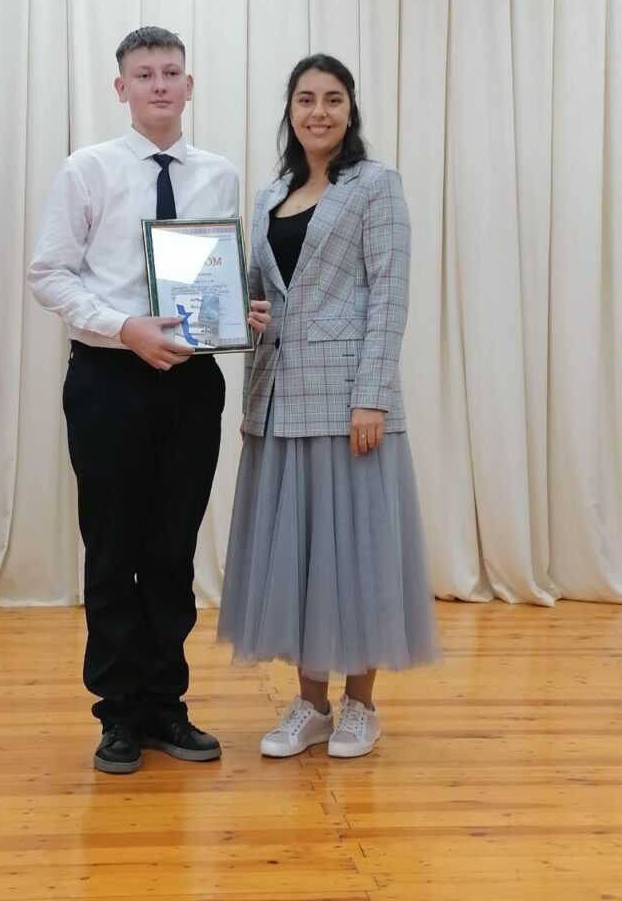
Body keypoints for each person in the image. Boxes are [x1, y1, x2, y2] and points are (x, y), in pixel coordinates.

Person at [28, 26, 270, 774]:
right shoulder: (87, 169)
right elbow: (49, 274)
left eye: (171, 72)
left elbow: (216, 272)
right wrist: (123, 327)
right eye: (144, 74)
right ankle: (118, 713)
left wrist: (240, 311)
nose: (159, 84)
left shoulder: (220, 174)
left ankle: (166, 704)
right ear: (121, 88)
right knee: (113, 547)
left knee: (172, 548)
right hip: (109, 379)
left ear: (189, 85)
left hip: (192, 384)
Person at [218, 53, 438, 759]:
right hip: (279, 401)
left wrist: (372, 397)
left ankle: (360, 706)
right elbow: (256, 296)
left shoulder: (376, 186)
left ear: (350, 110)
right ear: (289, 110)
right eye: (306, 99)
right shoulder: (268, 196)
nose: (319, 111)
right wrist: (240, 317)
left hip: (349, 404)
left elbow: (389, 296)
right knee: (301, 557)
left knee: (358, 550)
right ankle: (310, 706)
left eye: (333, 99)